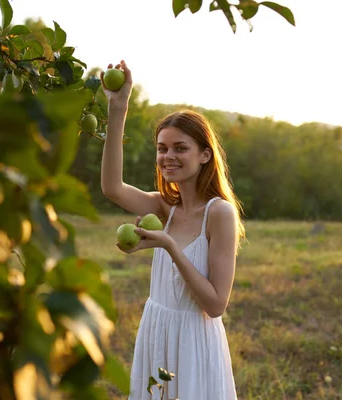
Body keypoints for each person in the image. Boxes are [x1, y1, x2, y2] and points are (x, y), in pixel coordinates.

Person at [100, 60, 245, 400]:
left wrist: (169, 245)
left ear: (205, 155)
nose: (168, 157)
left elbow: (215, 304)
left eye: (181, 148)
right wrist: (117, 108)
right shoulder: (165, 206)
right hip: (157, 329)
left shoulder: (219, 214)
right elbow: (111, 188)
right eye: (162, 148)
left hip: (193, 340)